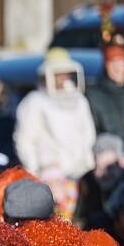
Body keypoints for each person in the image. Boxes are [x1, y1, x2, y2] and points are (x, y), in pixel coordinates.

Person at [15, 50, 96, 217]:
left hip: (77, 174)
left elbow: (88, 134)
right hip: (49, 178)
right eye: (58, 74)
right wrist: (36, 170)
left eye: (65, 73)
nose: (63, 78)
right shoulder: (34, 102)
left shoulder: (79, 100)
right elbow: (25, 140)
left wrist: (85, 162)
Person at [75, 135, 124, 229]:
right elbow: (79, 217)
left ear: (122, 163)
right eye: (99, 168)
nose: (105, 174)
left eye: (110, 167)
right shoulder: (87, 181)